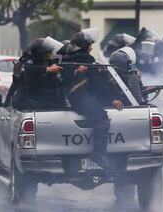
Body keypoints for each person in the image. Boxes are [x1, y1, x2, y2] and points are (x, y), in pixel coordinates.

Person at [59, 28, 123, 169]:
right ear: (85, 46)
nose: (91, 47)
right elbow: (98, 83)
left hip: (73, 98)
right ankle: (98, 155)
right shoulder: (86, 59)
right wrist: (112, 99)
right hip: (79, 98)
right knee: (102, 117)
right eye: (90, 44)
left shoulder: (66, 59)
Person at [11, 37, 65, 110]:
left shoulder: (47, 62)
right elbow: (30, 70)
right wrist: (47, 69)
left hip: (54, 104)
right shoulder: (29, 65)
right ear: (41, 53)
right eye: (49, 52)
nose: (52, 54)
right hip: (34, 105)